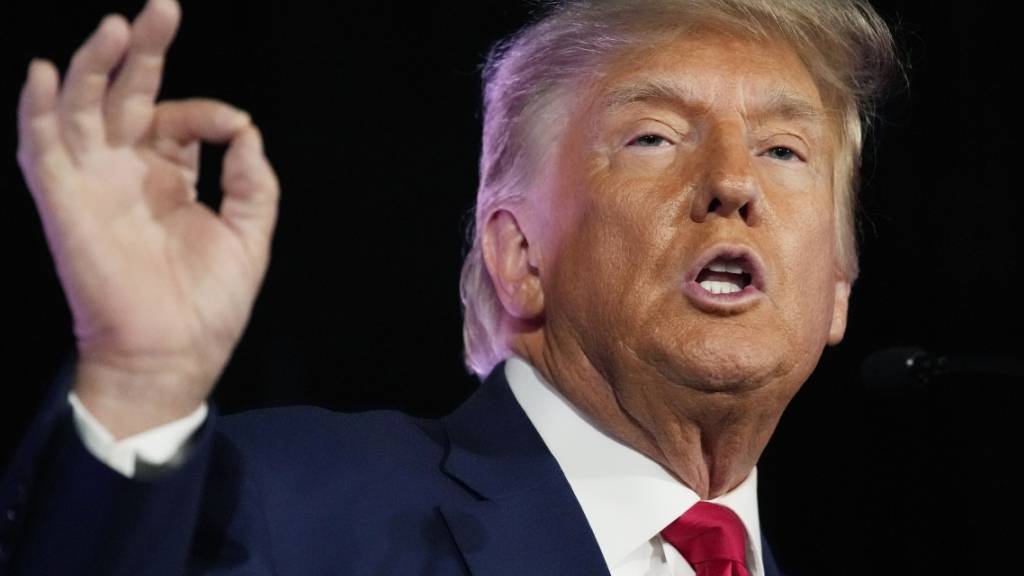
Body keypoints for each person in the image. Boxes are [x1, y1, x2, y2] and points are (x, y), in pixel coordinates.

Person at [1, 0, 897, 574]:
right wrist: (140, 382)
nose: (735, 183)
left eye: (785, 151)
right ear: (519, 257)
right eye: (654, 137)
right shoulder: (288, 506)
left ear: (839, 289)